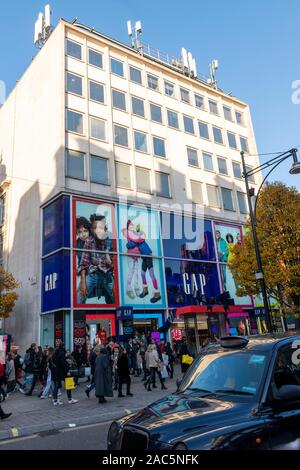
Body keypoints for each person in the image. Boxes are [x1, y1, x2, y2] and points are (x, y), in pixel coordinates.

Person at [78, 214, 114, 304]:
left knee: (115, 298)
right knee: (79, 296)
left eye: (100, 228)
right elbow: (83, 263)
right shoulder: (89, 241)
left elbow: (117, 266)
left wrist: (110, 262)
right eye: (95, 228)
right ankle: (76, 317)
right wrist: (83, 282)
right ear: (91, 230)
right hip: (92, 274)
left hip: (108, 275)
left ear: (105, 229)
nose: (98, 230)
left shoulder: (111, 242)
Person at [52, 341, 78, 405]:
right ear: (63, 346)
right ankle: (70, 399)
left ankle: (55, 400)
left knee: (56, 386)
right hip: (63, 371)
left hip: (56, 371)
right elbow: (63, 363)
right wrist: (67, 370)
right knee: (68, 384)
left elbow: (56, 361)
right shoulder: (62, 352)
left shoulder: (55, 352)